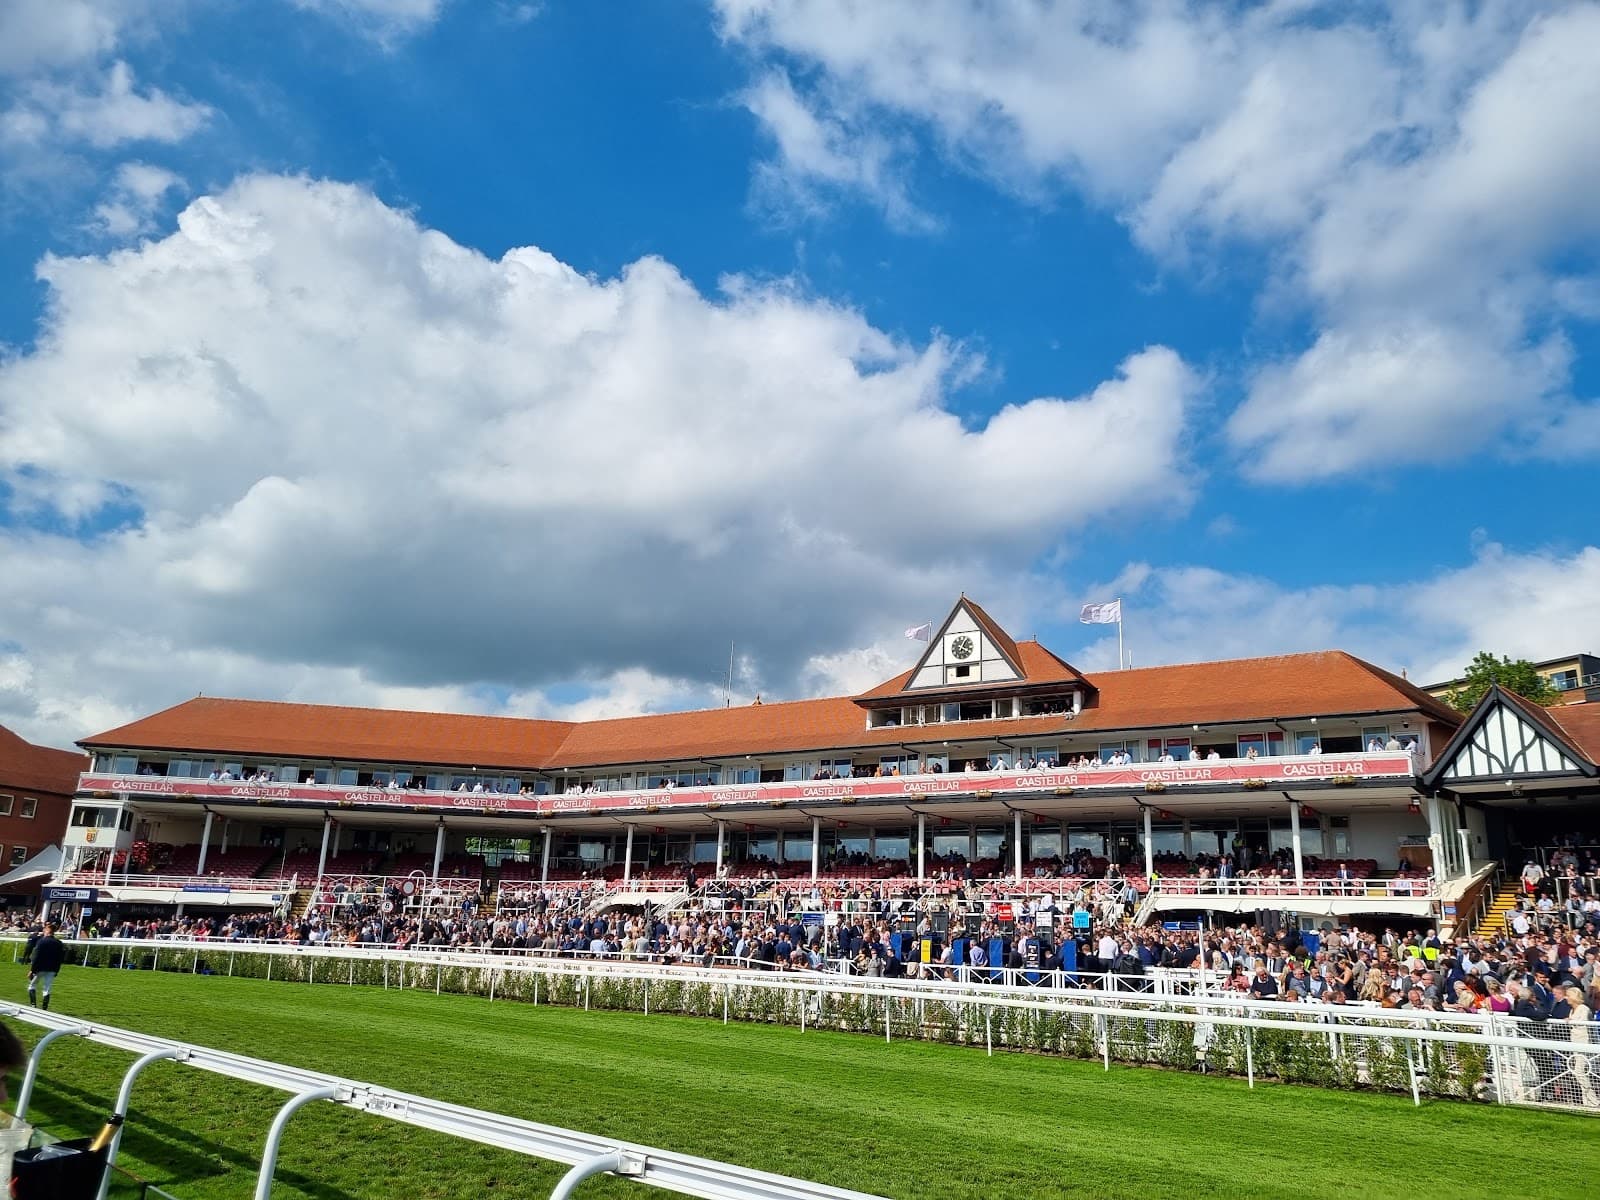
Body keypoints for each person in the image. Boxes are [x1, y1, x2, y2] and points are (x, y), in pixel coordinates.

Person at [27, 922, 66, 1010]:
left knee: (32, 986)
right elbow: (60, 959)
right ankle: (44, 1008)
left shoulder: (41, 941)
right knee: (47, 989)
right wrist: (57, 970)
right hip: (52, 969)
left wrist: (32, 970)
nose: (43, 932)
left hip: (40, 968)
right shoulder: (59, 943)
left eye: (44, 930)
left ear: (48, 931)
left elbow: (36, 957)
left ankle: (33, 1005)